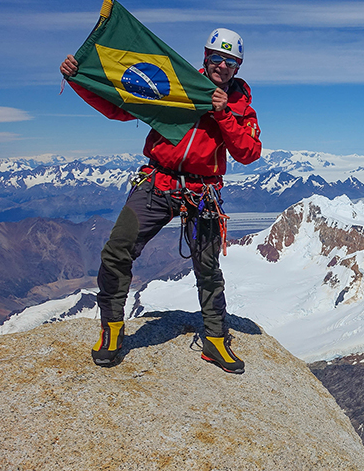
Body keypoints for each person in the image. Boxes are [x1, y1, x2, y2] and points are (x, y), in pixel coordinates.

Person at [60, 28, 261, 373]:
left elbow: (249, 152)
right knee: (117, 250)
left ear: (238, 67)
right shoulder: (177, 84)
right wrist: (79, 79)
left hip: (203, 192)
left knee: (207, 267)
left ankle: (214, 338)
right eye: (217, 57)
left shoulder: (241, 107)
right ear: (205, 56)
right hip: (159, 180)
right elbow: (121, 107)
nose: (222, 65)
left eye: (230, 61)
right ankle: (112, 328)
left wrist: (223, 114)